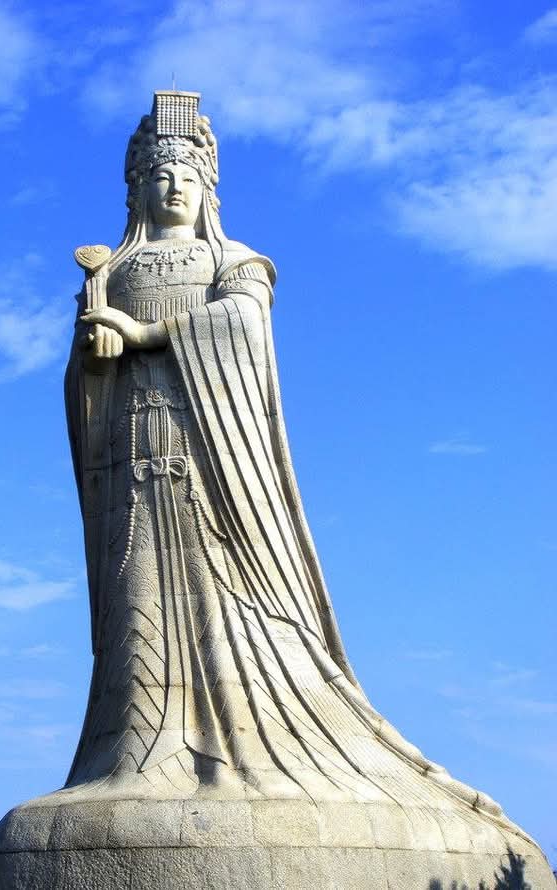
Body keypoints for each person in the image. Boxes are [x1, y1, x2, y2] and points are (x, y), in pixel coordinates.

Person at [63, 92, 522, 841]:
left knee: (224, 593)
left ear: (209, 188)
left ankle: (246, 739)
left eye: (186, 175)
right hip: (135, 460)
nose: (173, 187)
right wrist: (95, 355)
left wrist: (145, 334)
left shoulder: (232, 260)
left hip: (215, 462)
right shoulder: (111, 270)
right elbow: (83, 375)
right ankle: (139, 748)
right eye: (158, 175)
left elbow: (243, 322)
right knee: (138, 594)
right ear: (135, 188)